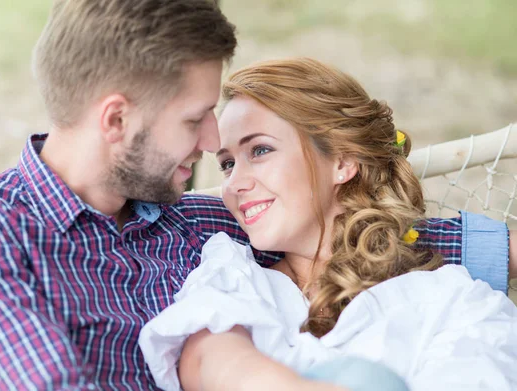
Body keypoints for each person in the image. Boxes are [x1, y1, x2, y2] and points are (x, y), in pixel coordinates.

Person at [0, 0, 515, 389]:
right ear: (116, 119)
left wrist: (500, 250)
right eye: (196, 119)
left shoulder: (204, 224)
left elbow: (357, 233)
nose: (209, 144)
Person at [139, 58, 517, 391]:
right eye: (227, 164)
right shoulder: (234, 276)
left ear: (342, 161)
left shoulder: (451, 301)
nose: (235, 183)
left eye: (260, 150)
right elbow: (206, 362)